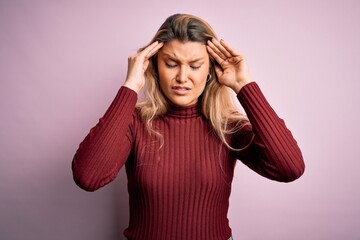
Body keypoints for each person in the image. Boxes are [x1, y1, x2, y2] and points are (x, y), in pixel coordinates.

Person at [72, 13, 305, 240]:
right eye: (172, 64)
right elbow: (88, 177)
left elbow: (289, 168)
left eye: (195, 66)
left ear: (211, 70)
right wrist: (131, 86)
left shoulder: (227, 127)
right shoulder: (135, 123)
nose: (182, 77)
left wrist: (244, 85)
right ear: (154, 66)